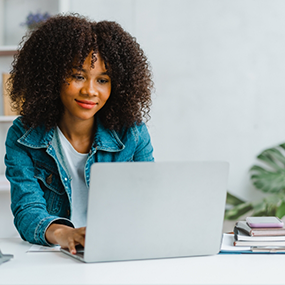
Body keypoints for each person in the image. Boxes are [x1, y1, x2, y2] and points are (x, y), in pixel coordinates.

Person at [5, 14, 154, 254]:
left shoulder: (133, 134)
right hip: (53, 255)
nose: (90, 91)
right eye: (78, 76)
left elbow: (149, 201)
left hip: (117, 251)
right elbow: (27, 211)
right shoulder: (24, 135)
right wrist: (66, 234)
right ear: (52, 76)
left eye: (103, 80)